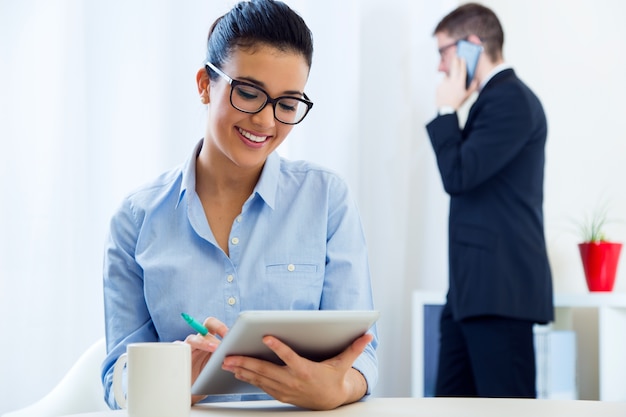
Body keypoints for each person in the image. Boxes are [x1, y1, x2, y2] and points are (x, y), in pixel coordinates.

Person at [101, 0, 377, 411]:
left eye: (287, 104)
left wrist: (336, 390)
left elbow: (363, 359)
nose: (266, 122)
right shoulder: (136, 220)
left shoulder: (326, 200)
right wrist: (180, 381)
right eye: (248, 93)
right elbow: (116, 383)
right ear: (203, 85)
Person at [425, 3, 553, 398]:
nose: (441, 67)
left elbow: (459, 175)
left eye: (444, 52)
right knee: (448, 404)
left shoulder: (510, 99)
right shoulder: (492, 101)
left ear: (471, 45)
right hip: (471, 294)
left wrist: (446, 108)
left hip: (500, 295)